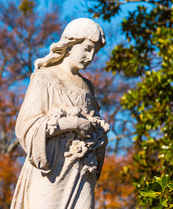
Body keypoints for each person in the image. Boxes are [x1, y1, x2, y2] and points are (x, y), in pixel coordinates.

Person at [10, 18, 110, 209]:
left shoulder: (87, 86)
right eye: (87, 48)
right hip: (52, 171)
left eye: (94, 52)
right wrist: (72, 124)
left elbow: (94, 126)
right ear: (71, 43)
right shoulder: (45, 77)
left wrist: (99, 132)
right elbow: (26, 126)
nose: (90, 57)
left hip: (82, 169)